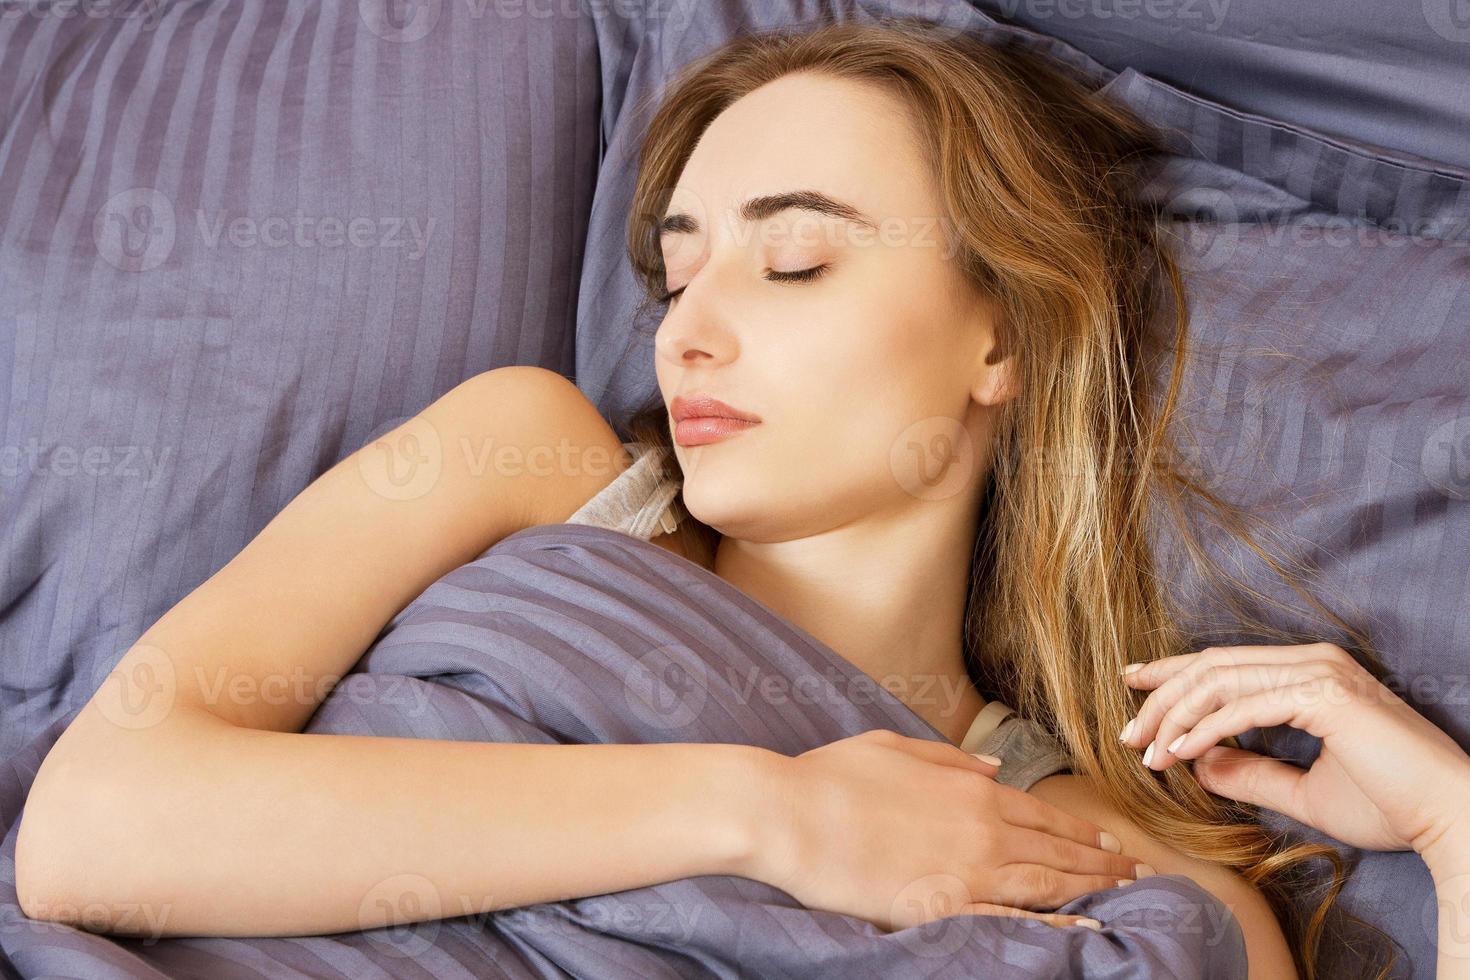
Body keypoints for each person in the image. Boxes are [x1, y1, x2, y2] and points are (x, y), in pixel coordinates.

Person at [17, 17, 1470, 978]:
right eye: (676, 268)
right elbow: (95, 832)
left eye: (792, 264)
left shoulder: (1102, 857)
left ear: (1002, 337)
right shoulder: (530, 457)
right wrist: (758, 812)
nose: (686, 331)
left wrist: (1449, 832)